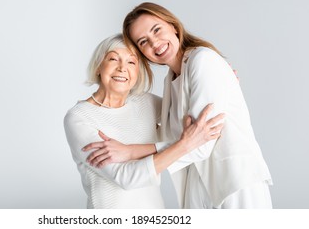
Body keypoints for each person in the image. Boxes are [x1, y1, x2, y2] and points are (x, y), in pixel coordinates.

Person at [88, 3, 273, 209]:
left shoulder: (203, 60)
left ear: (173, 26)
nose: (154, 43)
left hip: (234, 181)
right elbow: (180, 140)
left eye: (156, 30)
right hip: (199, 185)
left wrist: (130, 151)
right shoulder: (172, 80)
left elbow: (199, 144)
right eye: (143, 42)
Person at [63, 33, 224, 209]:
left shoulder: (145, 102)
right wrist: (184, 145)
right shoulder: (79, 117)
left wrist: (217, 79)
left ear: (137, 72)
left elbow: (190, 111)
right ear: (98, 67)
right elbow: (126, 178)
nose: (122, 68)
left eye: (131, 62)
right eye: (113, 59)